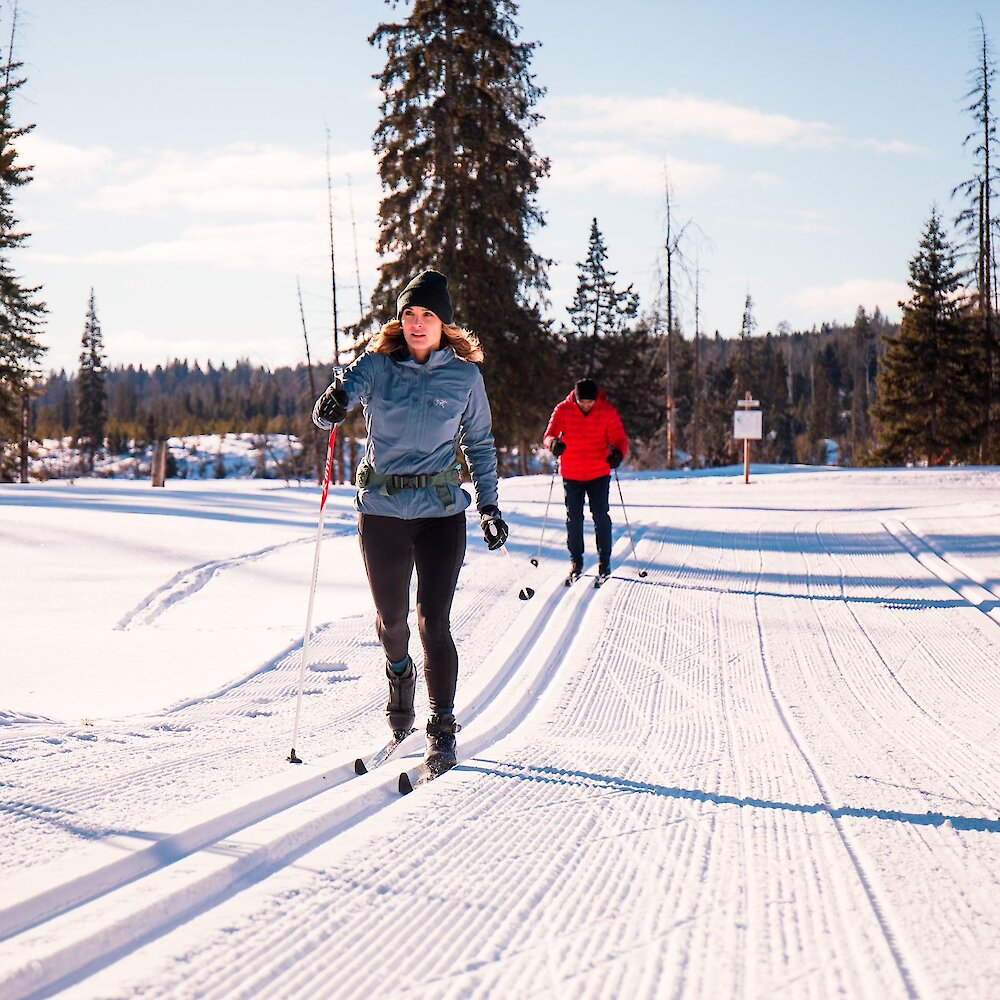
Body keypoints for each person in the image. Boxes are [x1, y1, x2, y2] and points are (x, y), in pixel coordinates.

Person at [312, 269, 508, 773]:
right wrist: (330, 405)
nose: (418, 323)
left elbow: (480, 444)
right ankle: (400, 685)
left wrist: (488, 505)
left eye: (428, 315)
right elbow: (338, 397)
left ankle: (441, 730)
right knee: (392, 623)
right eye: (409, 314)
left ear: (444, 323)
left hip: (441, 514)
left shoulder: (465, 377)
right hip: (381, 513)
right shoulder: (377, 366)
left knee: (432, 622)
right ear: (401, 320)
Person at [542, 377, 628, 583]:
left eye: (590, 402)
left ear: (596, 398)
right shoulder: (563, 410)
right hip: (572, 474)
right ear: (576, 398)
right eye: (583, 402)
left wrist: (618, 454)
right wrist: (553, 444)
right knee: (574, 519)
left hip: (599, 472)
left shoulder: (606, 411)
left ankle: (604, 562)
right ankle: (576, 561)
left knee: (600, 516)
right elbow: (549, 435)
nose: (587, 405)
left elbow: (620, 440)